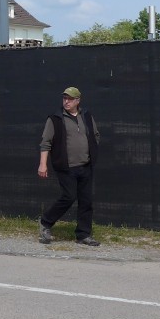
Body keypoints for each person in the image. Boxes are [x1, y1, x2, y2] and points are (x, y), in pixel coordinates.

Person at [37, 86, 100, 246]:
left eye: (70, 99)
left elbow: (95, 134)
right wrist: (43, 164)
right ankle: (45, 223)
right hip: (66, 167)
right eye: (64, 98)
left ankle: (83, 235)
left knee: (86, 201)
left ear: (78, 100)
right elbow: (45, 143)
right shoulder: (55, 119)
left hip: (85, 166)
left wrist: (91, 149)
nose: (66, 101)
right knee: (69, 197)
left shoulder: (86, 116)